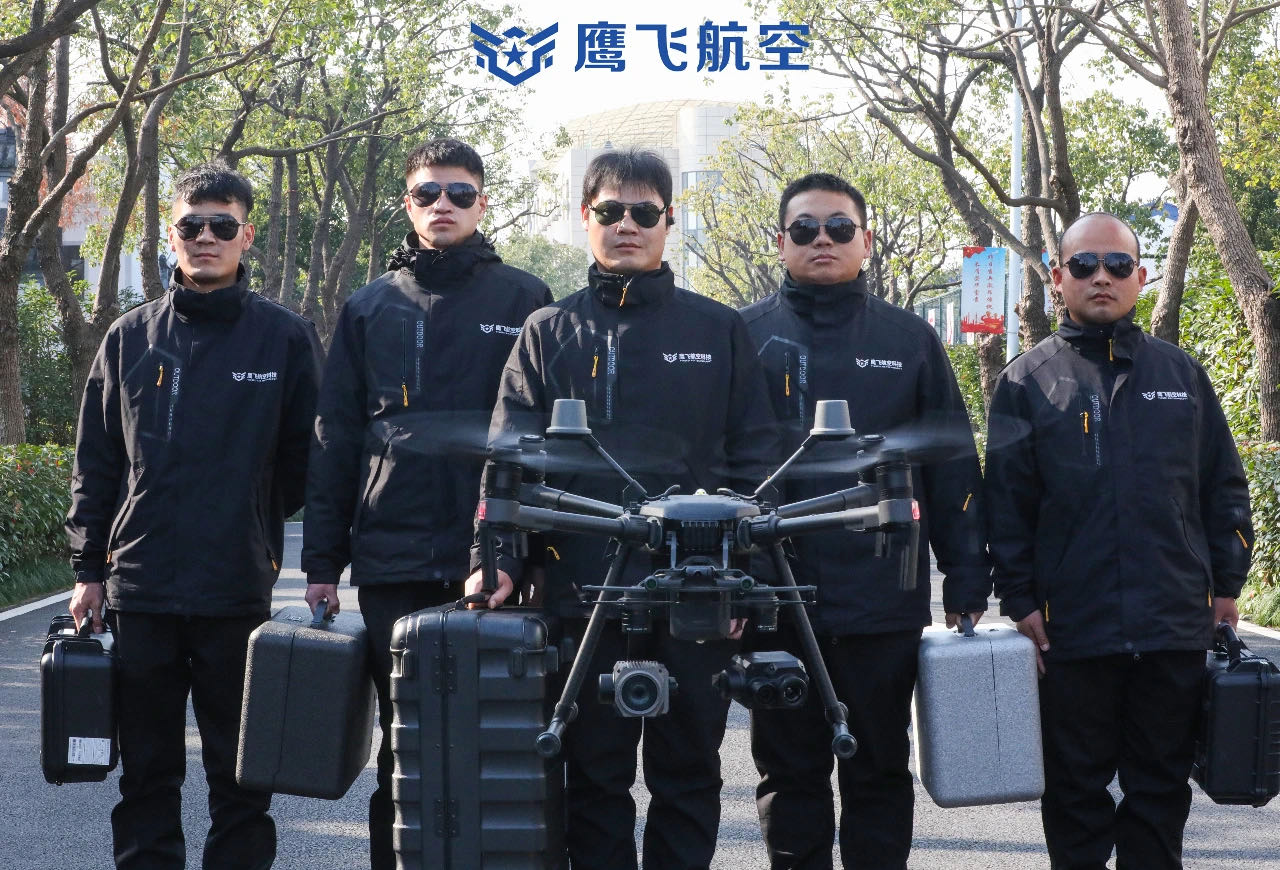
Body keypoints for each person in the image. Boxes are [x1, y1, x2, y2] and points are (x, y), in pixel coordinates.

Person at [464, 148, 778, 870]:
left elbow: (757, 459)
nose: (627, 225)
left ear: (668, 220)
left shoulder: (717, 329)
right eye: (610, 210)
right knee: (591, 771)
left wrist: (748, 578)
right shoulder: (548, 330)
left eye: (644, 212)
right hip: (581, 586)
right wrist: (496, 559)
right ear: (586, 217)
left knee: (688, 769)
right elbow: (507, 460)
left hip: (699, 588)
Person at [300, 137, 551, 869]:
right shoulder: (369, 305)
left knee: (507, 740)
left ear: (482, 202)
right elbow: (335, 438)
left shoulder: (527, 301)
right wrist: (322, 563)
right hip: (394, 555)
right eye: (428, 193)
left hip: (502, 560)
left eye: (460, 193)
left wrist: (530, 554)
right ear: (407, 204)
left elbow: (544, 442)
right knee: (404, 741)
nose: (444, 205)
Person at [65, 160, 323, 869]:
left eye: (222, 226)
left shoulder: (284, 338)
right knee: (146, 773)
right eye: (191, 225)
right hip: (139, 588)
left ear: (246, 236)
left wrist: (252, 519)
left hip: (235, 589)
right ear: (172, 235)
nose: (205, 237)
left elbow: (309, 459)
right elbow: (97, 463)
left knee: (241, 777)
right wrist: (88, 570)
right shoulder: (129, 338)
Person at [984, 211, 1254, 869]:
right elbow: (1006, 509)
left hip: (1172, 626)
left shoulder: (1181, 375)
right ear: (1058, 277)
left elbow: (1224, 488)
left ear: (1141, 276)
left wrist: (1226, 585)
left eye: (1116, 265)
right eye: (1083, 265)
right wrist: (1019, 601)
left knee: (1159, 793)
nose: (1100, 277)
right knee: (1074, 795)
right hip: (1070, 631)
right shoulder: (1025, 381)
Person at [738, 172, 990, 869]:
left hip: (883, 596)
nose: (822, 240)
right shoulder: (743, 337)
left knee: (878, 768)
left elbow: (952, 466)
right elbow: (716, 468)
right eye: (805, 229)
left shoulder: (909, 339)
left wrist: (967, 576)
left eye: (839, 228)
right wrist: (730, 587)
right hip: (774, 598)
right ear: (780, 242)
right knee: (789, 774)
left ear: (866, 241)